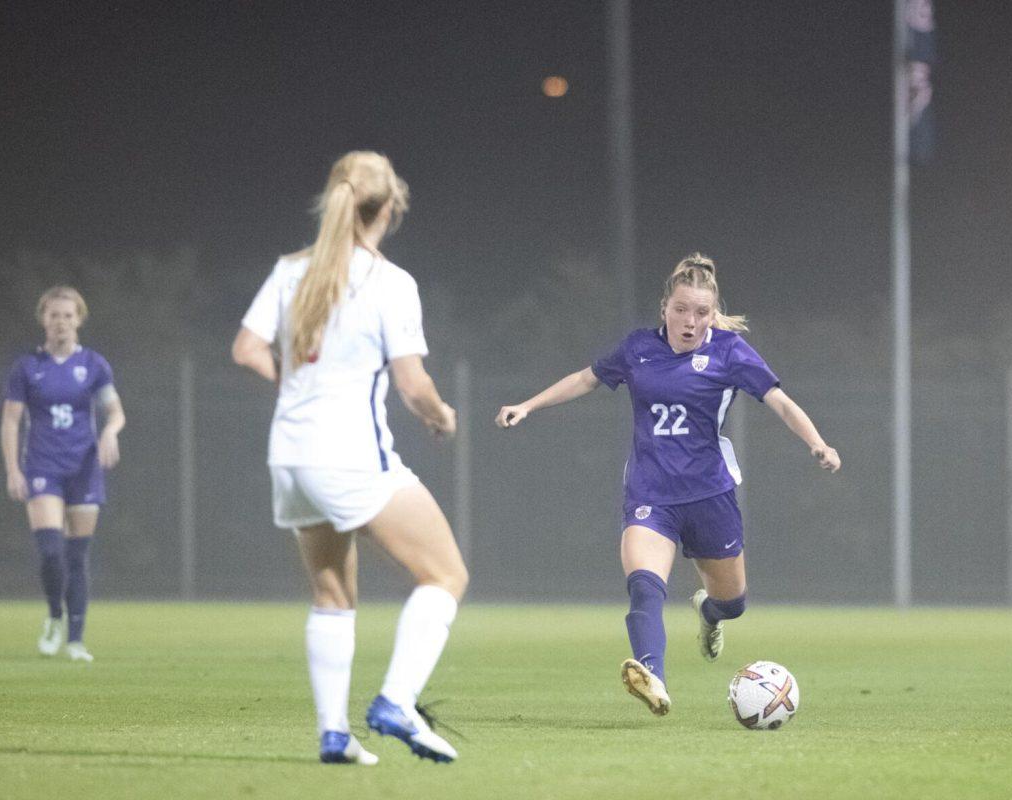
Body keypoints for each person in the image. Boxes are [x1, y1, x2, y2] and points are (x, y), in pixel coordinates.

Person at [496, 254, 840, 716]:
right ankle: (651, 675)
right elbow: (585, 379)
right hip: (650, 494)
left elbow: (779, 401)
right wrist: (528, 405)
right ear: (665, 307)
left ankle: (709, 615)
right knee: (644, 586)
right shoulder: (638, 349)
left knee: (732, 603)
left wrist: (818, 443)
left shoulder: (730, 351)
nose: (690, 321)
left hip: (710, 495)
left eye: (701, 312)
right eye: (681, 309)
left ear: (712, 314)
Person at [232, 151, 468, 765]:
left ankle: (334, 735)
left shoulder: (292, 272)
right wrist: (442, 416)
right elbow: (413, 384)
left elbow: (246, 348)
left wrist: (292, 383)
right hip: (350, 455)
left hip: (290, 455)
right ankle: (396, 700)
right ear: (389, 208)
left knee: (333, 593)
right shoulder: (388, 282)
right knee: (445, 575)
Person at [0, 286, 126, 663]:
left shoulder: (94, 365)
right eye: (54, 315)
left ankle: (75, 640)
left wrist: (109, 431)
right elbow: (10, 420)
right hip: (42, 466)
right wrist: (12, 469)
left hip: (83, 469)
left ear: (79, 320)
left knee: (77, 557)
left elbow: (116, 411)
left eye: (68, 315)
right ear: (43, 319)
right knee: (52, 552)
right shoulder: (27, 367)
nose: (61, 322)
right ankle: (54, 617)